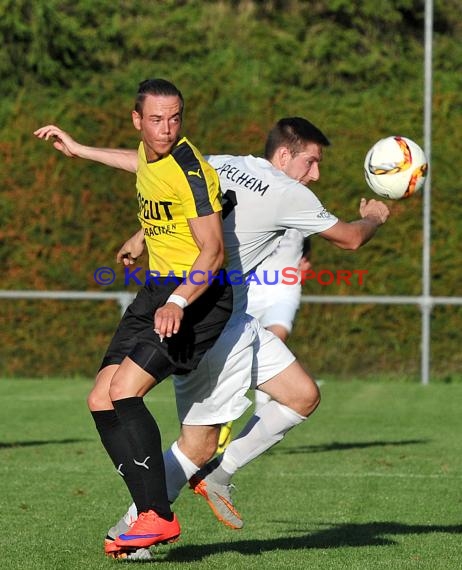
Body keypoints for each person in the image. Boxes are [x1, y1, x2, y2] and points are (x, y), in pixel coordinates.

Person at [36, 117, 389, 560]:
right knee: (196, 446)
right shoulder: (287, 191)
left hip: (236, 320)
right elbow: (350, 239)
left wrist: (86, 154)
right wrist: (373, 216)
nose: (315, 174)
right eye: (311, 162)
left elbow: (152, 172)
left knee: (302, 396)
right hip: (215, 324)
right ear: (284, 155)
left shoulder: (221, 162)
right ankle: (131, 531)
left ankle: (218, 474)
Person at [34, 79, 235, 555]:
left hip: (197, 297)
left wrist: (178, 302)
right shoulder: (151, 154)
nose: (167, 129)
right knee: (100, 399)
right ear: (138, 121)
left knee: (126, 392)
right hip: (157, 290)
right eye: (157, 119)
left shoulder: (191, 169)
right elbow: (138, 164)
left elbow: (214, 252)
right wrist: (80, 150)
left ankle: (155, 516)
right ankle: (151, 516)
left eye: (176, 118)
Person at [216, 231, 312, 453]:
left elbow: (314, 236)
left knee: (275, 341)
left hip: (284, 290)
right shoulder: (253, 201)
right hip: (250, 289)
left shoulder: (301, 205)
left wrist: (307, 258)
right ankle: (227, 410)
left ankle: (261, 416)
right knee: (236, 351)